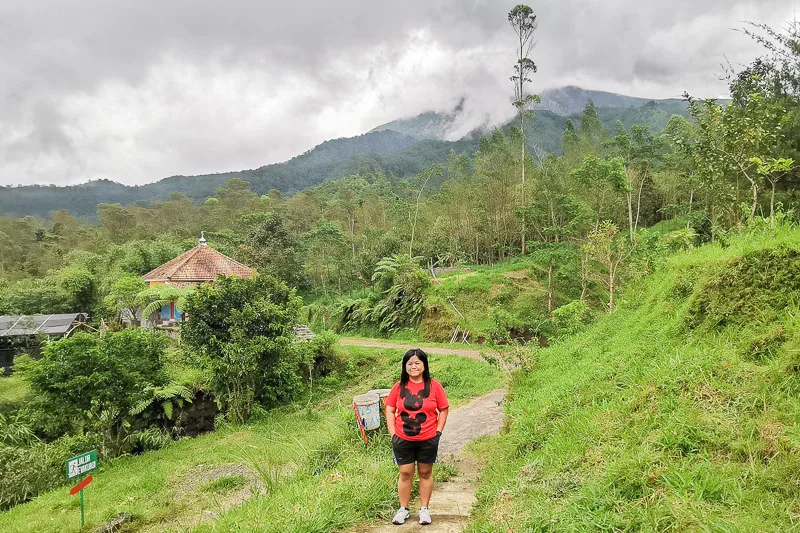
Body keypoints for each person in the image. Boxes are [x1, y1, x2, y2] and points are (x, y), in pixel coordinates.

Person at [385, 348, 449, 526]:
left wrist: (438, 431)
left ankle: (424, 509)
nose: (414, 366)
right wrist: (393, 433)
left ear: (424, 365)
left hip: (428, 438)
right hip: (402, 439)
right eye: (410, 363)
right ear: (405, 366)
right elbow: (390, 410)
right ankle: (403, 509)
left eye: (417, 363)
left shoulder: (434, 386)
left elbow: (443, 409)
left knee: (425, 473)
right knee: (405, 473)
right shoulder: (398, 387)